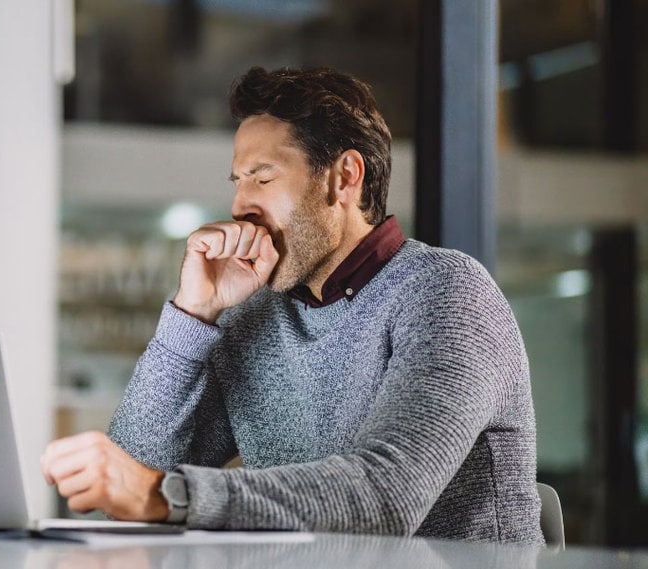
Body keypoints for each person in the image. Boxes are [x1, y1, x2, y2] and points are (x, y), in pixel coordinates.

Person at [41, 66, 543, 544]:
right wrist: (192, 315)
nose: (240, 207)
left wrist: (166, 495)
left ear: (344, 177)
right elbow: (132, 482)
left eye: (262, 177)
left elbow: (386, 496)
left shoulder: (447, 293)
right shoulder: (253, 318)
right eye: (237, 182)